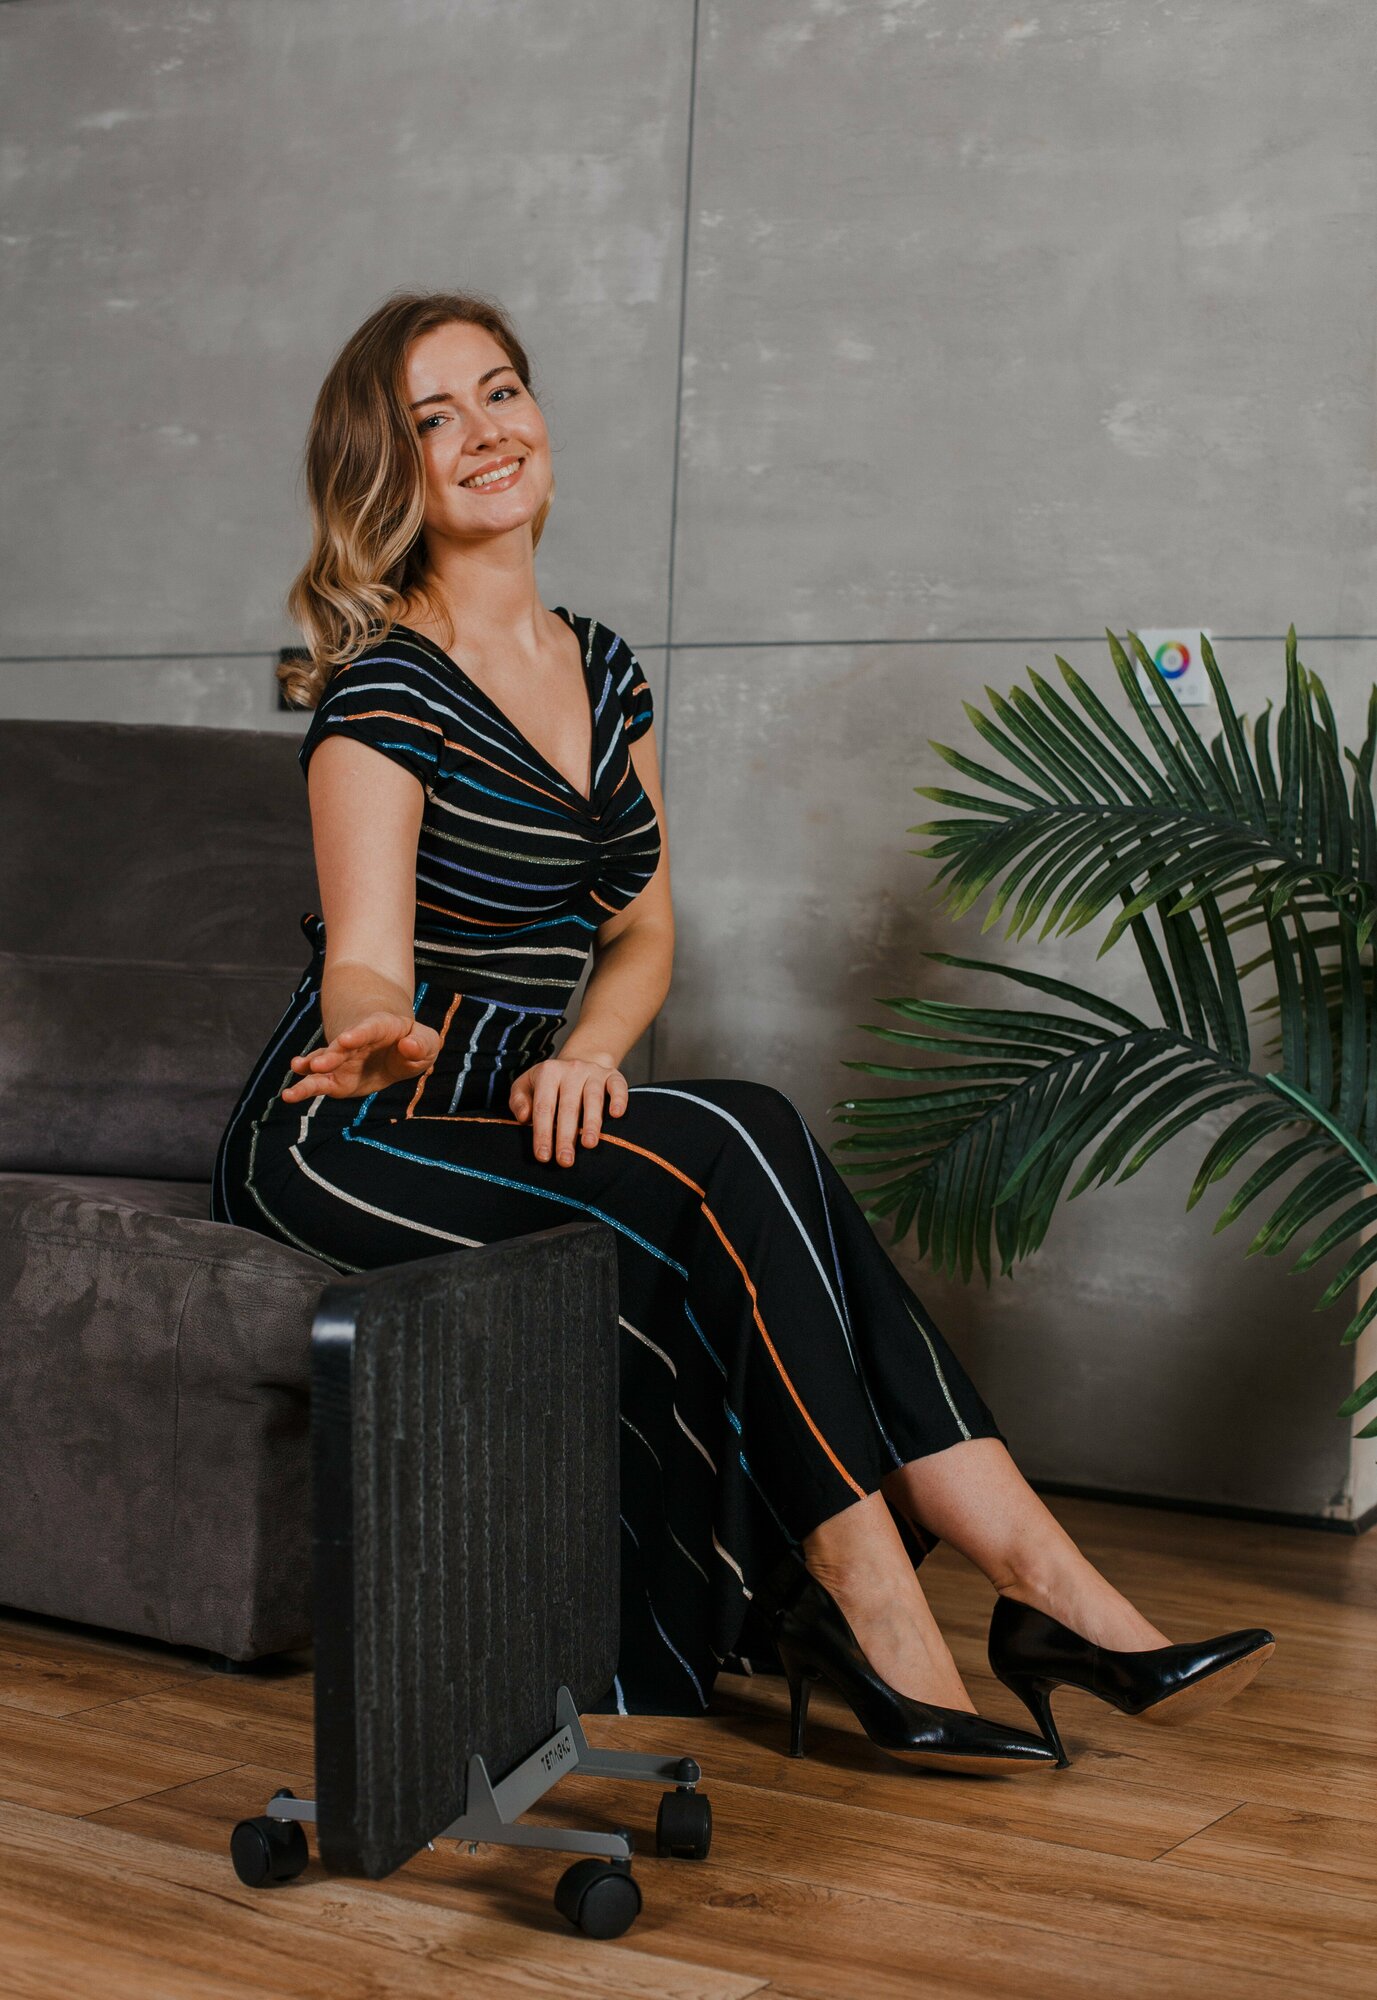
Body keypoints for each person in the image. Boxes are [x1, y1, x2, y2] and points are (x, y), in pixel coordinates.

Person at [212, 290, 1274, 1772]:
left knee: (747, 1130)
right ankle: (911, 1590)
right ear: (387, 469)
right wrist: (381, 1031)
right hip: (351, 1124)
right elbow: (365, 966)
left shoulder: (603, 668)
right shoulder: (383, 691)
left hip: (527, 1090)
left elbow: (643, 932)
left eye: (500, 390)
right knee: (734, 1132)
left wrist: (590, 1052)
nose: (484, 433)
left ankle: (1023, 1582)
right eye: (432, 418)